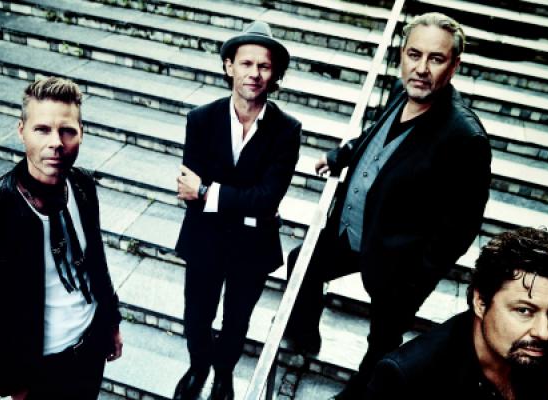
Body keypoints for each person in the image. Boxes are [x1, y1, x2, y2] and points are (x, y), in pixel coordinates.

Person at [284, 12, 492, 399]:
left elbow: (460, 228)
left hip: (398, 262)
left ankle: (360, 395)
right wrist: (340, 156)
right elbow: (375, 136)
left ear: (454, 65)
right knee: (303, 261)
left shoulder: (465, 137)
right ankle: (304, 335)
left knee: (382, 341)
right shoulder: (403, 91)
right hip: (350, 231)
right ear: (402, 55)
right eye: (414, 54)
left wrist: (417, 280)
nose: (421, 68)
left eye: (436, 58)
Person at [173, 21, 301, 400]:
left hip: (253, 247)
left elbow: (268, 198)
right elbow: (188, 191)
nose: (254, 73)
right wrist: (238, 200)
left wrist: (208, 192)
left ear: (274, 74)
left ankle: (224, 375)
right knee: (197, 316)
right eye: (246, 63)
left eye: (264, 66)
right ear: (229, 66)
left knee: (237, 320)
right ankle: (198, 367)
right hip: (204, 240)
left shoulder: (287, 129)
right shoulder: (201, 119)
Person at [0, 77, 123, 400]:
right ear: (22, 131)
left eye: (67, 131)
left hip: (90, 347)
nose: (56, 143)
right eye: (42, 130)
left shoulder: (82, 186)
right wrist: (9, 381)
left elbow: (97, 262)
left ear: (82, 133)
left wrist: (112, 323)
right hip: (39, 369)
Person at [366, 227, 548, 400]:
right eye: (524, 310)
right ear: (481, 303)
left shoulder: (536, 346)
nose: (544, 332)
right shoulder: (407, 377)